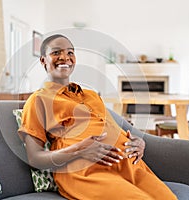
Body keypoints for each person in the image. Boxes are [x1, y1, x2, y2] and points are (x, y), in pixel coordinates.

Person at [18, 34, 177, 200]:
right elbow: (34, 158)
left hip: (130, 165)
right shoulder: (38, 100)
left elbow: (113, 128)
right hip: (84, 171)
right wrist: (79, 151)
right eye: (56, 52)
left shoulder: (92, 95)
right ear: (43, 60)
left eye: (70, 53)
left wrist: (139, 142)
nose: (65, 57)